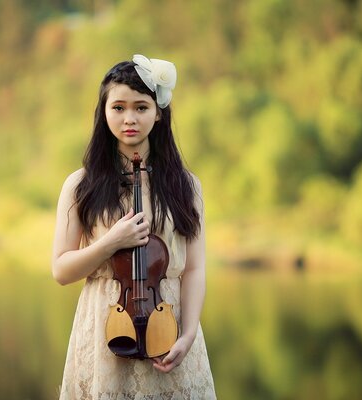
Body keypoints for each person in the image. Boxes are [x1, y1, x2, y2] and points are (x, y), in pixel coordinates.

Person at [52, 54, 216, 399]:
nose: (130, 118)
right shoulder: (81, 185)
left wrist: (186, 336)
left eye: (141, 108)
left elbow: (195, 268)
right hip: (105, 327)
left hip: (168, 327)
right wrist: (110, 243)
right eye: (119, 107)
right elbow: (62, 271)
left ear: (159, 113)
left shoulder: (186, 185)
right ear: (104, 112)